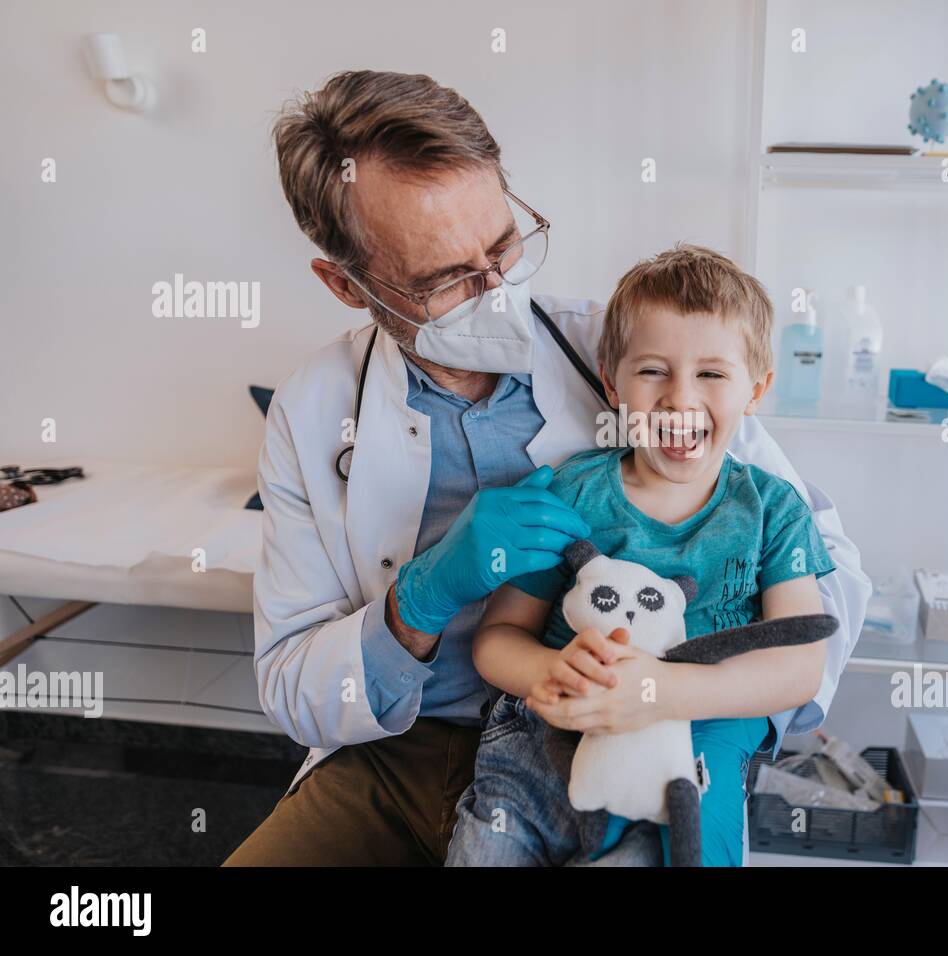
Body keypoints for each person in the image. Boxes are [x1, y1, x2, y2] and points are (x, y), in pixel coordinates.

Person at [223, 70, 870, 866]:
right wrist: (419, 602)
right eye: (447, 280)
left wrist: (690, 707)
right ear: (346, 284)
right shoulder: (314, 407)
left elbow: (826, 580)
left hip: (611, 735)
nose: (496, 290)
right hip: (397, 757)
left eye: (503, 245)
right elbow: (291, 686)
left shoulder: (643, 355)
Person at [446, 244, 835, 866]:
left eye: (712, 374)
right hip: (540, 749)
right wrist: (548, 675)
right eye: (653, 370)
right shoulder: (571, 491)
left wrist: (659, 690)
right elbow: (497, 639)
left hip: (683, 755)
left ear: (756, 389)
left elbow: (798, 667)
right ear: (611, 380)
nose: (681, 399)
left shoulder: (772, 510)